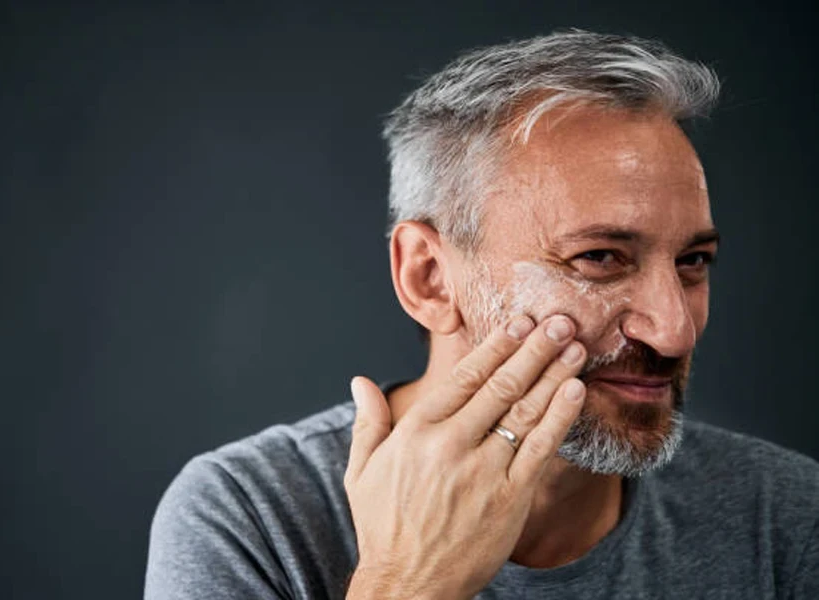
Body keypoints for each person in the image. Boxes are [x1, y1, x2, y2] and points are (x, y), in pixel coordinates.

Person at [143, 30, 819, 599]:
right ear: (431, 278)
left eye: (693, 262)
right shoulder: (250, 517)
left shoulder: (786, 517)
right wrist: (403, 581)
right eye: (600, 258)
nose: (673, 329)